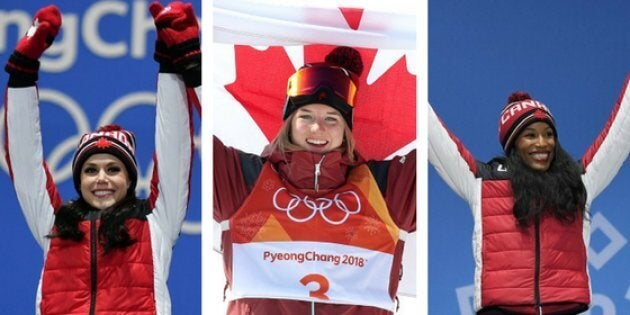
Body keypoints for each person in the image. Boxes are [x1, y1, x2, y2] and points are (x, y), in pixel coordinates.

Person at [3, 2, 200, 314]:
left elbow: (174, 145)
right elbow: (24, 159)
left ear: (130, 178)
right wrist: (22, 75)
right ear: (79, 180)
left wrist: (171, 65)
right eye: (90, 170)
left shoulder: (156, 221)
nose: (102, 178)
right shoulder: (55, 225)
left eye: (113, 169)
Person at [213, 46, 416, 314]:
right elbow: (189, 149)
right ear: (289, 123)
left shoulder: (385, 188)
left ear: (346, 130)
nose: (317, 128)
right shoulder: (244, 181)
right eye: (305, 116)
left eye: (332, 119)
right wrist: (186, 70)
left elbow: (440, 152)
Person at [428, 87, 630, 314]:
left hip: (566, 308)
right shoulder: (481, 182)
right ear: (513, 143)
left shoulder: (579, 181)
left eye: (549, 134)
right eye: (530, 135)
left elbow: (622, 130)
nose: (543, 143)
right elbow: (432, 133)